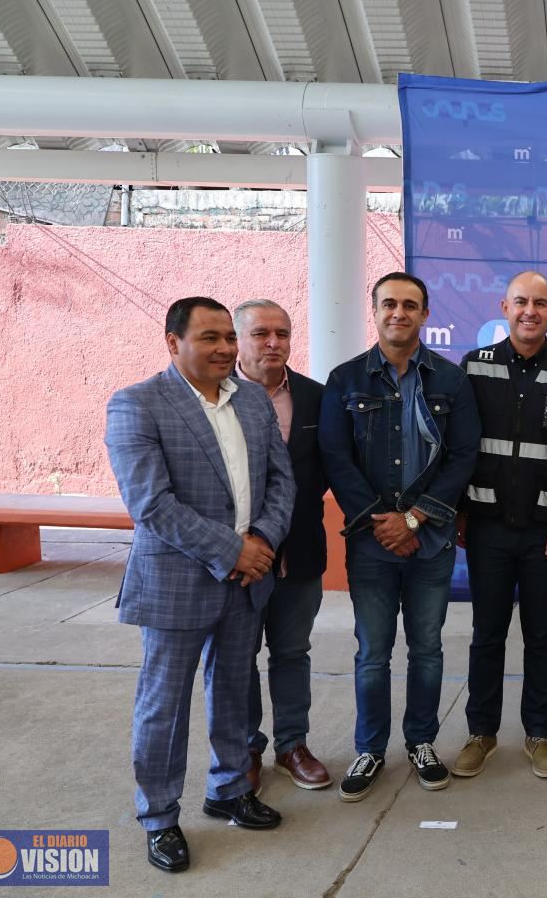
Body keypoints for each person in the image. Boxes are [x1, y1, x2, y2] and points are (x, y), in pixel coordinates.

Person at [105, 297, 295, 873]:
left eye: (228, 340)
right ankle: (159, 817)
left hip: (247, 580)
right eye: (209, 338)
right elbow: (151, 504)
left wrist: (259, 541)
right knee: (164, 706)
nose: (225, 349)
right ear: (172, 342)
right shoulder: (137, 404)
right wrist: (233, 549)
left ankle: (230, 789)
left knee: (236, 692)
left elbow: (281, 481)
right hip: (177, 582)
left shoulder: (255, 400)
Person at [319, 271, 479, 801]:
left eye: (410, 305)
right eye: (389, 303)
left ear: (425, 315)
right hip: (370, 544)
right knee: (373, 652)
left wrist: (414, 519)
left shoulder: (452, 381)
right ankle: (369, 748)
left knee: (428, 649)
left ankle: (422, 742)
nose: (399, 313)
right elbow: (336, 460)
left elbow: (462, 458)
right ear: (375, 309)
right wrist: (383, 523)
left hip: (430, 542)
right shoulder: (345, 381)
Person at [454, 272, 547, 780]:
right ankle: (481, 733)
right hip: (488, 529)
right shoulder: (474, 367)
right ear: (504, 307)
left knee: (542, 635)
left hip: (545, 534)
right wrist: (461, 513)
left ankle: (538, 734)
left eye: (540, 303)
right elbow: (459, 449)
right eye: (520, 302)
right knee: (487, 635)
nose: (529, 311)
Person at [234, 299, 332, 793]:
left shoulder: (317, 398)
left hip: (301, 554)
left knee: (293, 651)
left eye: (282, 333)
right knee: (239, 655)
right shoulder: (216, 397)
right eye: (260, 334)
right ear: (238, 340)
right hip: (239, 560)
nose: (273, 343)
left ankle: (292, 744)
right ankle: (247, 747)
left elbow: (337, 468)